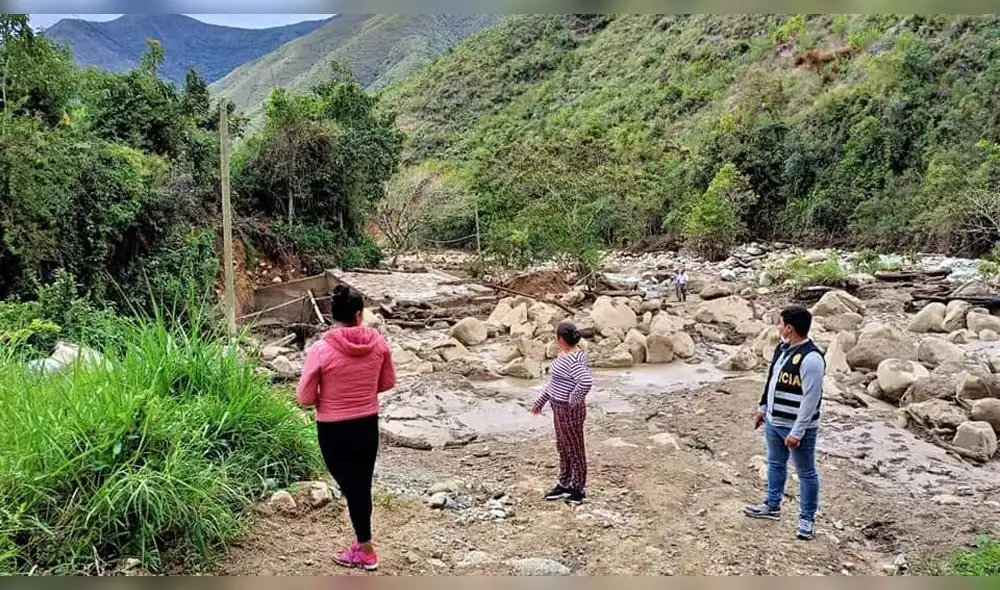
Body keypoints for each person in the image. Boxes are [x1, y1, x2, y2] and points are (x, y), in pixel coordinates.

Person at [296, 284, 396, 571]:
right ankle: (362, 544)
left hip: (333, 429)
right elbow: (388, 382)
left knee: (353, 488)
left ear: (332, 315)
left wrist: (328, 397)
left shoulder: (320, 349)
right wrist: (364, 388)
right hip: (367, 425)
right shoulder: (378, 344)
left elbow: (304, 397)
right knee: (360, 486)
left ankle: (366, 551)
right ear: (359, 315)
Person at [744, 306, 825, 541]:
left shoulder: (812, 359)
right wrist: (763, 409)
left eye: (780, 324)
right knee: (775, 464)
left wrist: (797, 432)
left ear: (789, 328)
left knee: (806, 472)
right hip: (774, 421)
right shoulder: (782, 350)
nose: (778, 327)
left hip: (797, 429)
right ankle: (772, 505)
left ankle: (807, 519)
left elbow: (811, 400)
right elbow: (772, 382)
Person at [530, 322, 594, 505]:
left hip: (569, 410)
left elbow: (586, 381)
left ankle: (578, 489)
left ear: (560, 339)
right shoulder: (564, 355)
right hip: (558, 407)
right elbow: (555, 383)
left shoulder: (573, 359)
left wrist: (572, 400)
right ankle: (564, 483)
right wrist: (541, 401)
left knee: (575, 449)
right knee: (563, 446)